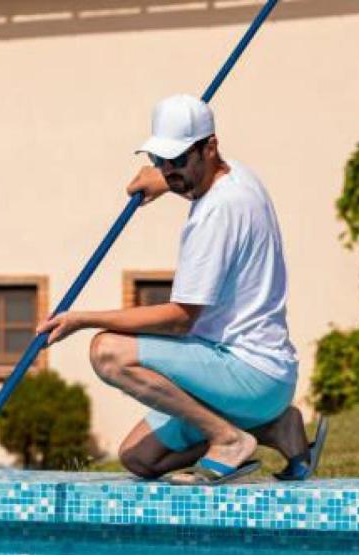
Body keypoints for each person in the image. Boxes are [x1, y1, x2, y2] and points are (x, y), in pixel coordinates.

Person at [36, 94, 326, 485]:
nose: (171, 172)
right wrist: (165, 178)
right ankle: (275, 428)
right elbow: (190, 175)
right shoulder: (238, 175)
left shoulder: (214, 215)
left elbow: (179, 320)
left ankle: (228, 440)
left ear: (211, 147)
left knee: (108, 352)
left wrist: (83, 319)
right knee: (139, 459)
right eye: (161, 161)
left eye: (178, 162)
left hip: (247, 371)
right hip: (259, 379)